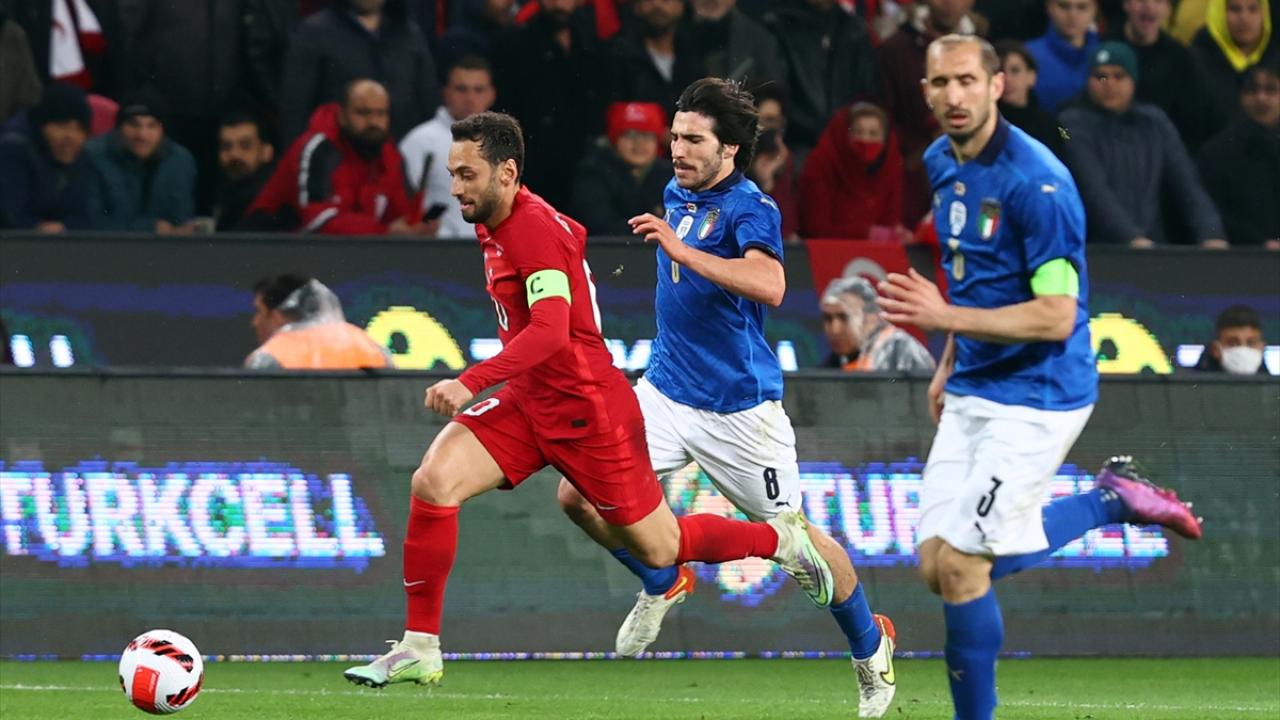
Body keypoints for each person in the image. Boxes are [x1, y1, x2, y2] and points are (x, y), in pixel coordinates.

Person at [342, 110, 836, 689]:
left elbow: (551, 332)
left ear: (507, 173)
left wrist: (471, 381)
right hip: (531, 400)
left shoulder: (531, 230)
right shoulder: (497, 218)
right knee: (434, 480)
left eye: (467, 175)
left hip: (587, 410)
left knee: (663, 546)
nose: (455, 188)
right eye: (452, 174)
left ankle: (781, 540)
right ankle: (420, 647)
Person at [877, 35, 1202, 720]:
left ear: (997, 85)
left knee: (963, 566)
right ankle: (1112, 499)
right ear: (926, 91)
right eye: (941, 83)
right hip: (976, 381)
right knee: (935, 565)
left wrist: (944, 317)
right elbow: (973, 273)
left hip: (1041, 392)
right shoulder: (940, 160)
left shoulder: (1038, 185)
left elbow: (1057, 316)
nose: (954, 95)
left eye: (968, 80)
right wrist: (949, 357)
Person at [554, 79, 898, 718]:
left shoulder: (751, 207)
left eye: (693, 139)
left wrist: (684, 251)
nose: (676, 149)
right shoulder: (676, 190)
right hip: (664, 393)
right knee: (576, 494)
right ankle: (662, 579)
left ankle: (870, 645)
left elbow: (771, 284)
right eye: (674, 137)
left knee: (798, 547)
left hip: (738, 410)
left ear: (730, 148)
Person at [1059, 43, 1227, 247]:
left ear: (1134, 80)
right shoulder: (1068, 125)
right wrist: (1131, 238)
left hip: (1150, 247)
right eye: (1100, 76)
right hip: (1098, 249)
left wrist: (1211, 233)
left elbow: (1188, 184)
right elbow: (1093, 189)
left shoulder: (1155, 123)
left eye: (1119, 76)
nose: (1109, 84)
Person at [246, 79, 427, 235]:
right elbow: (316, 220)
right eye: (363, 113)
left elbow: (402, 214)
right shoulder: (318, 149)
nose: (373, 122)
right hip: (272, 247)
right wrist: (384, 231)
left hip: (350, 252)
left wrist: (419, 225)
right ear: (342, 115)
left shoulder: (389, 155)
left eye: (381, 113)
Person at [877, 0, 987, 227]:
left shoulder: (985, 50)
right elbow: (883, 117)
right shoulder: (895, 50)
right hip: (910, 178)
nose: (948, 3)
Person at [279, 0, 440, 144]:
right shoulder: (313, 32)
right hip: (334, 155)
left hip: (401, 153)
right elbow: (294, 108)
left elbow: (429, 98)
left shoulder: (410, 33)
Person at [762, 0, 879, 157]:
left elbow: (866, 94)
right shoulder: (776, 26)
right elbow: (775, 92)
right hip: (794, 148)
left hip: (847, 150)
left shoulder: (856, 30)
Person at [399, 54, 497, 239]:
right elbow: (402, 206)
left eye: (478, 90)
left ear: (491, 94)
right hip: (439, 249)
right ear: (446, 93)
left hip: (491, 248)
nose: (470, 98)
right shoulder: (420, 141)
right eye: (461, 89)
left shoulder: (502, 143)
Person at [84, 91, 197, 233]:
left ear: (162, 130)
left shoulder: (180, 160)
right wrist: (150, 227)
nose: (142, 135)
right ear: (119, 128)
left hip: (165, 245)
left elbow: (182, 218)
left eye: (152, 125)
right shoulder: (93, 156)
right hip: (108, 245)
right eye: (133, 125)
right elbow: (90, 221)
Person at [1115, 0, 1217, 152]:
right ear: (1126, 4)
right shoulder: (1103, 47)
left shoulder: (1181, 58)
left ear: (1168, 9)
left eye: (1159, 1)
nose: (1149, 6)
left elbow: (1193, 121)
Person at [798, 102, 907, 241]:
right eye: (858, 132)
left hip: (875, 253)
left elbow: (891, 221)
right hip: (827, 251)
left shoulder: (890, 165)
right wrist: (868, 233)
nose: (865, 139)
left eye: (873, 134)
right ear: (845, 134)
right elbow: (815, 228)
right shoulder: (822, 163)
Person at [1198, 65, 1280, 248]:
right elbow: (1215, 212)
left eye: (1271, 89)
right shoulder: (1217, 152)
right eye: (1252, 90)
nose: (1261, 98)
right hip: (1241, 255)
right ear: (1240, 96)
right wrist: (1261, 242)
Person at [0, 83, 98, 231]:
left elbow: (88, 216)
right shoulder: (14, 149)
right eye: (62, 125)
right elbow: (9, 215)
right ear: (41, 125)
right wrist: (38, 228)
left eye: (80, 129)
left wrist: (63, 227)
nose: (71, 136)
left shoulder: (79, 156)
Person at [246, 274, 392, 370]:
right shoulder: (372, 347)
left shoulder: (270, 357)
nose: (255, 322)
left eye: (259, 311)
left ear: (277, 315)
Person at [569, 101, 671, 236]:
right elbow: (601, 226)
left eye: (647, 135)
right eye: (630, 135)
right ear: (614, 139)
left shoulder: (672, 174)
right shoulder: (592, 173)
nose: (639, 143)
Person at [1191, 0, 1279, 129]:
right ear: (1219, 13)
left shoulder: (1275, 60)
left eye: (1253, 9)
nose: (1244, 18)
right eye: (1235, 9)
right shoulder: (1194, 63)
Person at [821, 276, 935, 373]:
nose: (835, 330)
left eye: (845, 317)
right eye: (828, 318)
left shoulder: (899, 350)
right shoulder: (831, 366)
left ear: (871, 317)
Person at [1025, 0, 1101, 112]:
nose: (1072, 15)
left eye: (1082, 7)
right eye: (1064, 6)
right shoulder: (1027, 55)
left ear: (1095, 10)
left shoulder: (1108, 57)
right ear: (1049, 7)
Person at [995, 40, 1065, 157]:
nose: (1007, 79)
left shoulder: (1051, 125)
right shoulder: (984, 124)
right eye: (999, 72)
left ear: (1031, 76)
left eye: (1015, 71)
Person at [214, 111, 275, 232]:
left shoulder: (265, 200)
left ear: (266, 152)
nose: (234, 154)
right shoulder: (229, 190)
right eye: (226, 146)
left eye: (245, 146)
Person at [1192, 305, 1273, 374]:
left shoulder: (1275, 387)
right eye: (1233, 343)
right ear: (1215, 349)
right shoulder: (1192, 386)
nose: (1243, 349)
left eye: (1250, 343)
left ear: (1262, 348)